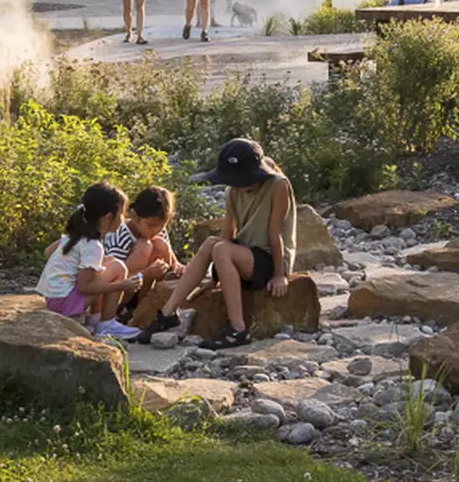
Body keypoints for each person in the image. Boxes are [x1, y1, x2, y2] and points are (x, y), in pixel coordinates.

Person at [147, 138, 293, 350]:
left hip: (269, 258)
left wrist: (280, 274)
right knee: (212, 243)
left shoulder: (278, 185)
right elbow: (227, 232)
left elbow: (275, 233)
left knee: (221, 248)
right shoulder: (232, 191)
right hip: (244, 255)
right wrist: (217, 275)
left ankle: (238, 329)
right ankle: (168, 314)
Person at [38, 186, 143, 339]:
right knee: (118, 267)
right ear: (108, 217)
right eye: (122, 213)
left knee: (108, 262)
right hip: (64, 304)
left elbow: (48, 253)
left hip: (54, 298)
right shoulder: (92, 245)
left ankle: (94, 320)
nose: (123, 218)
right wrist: (123, 285)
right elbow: (85, 286)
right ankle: (106, 324)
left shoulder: (76, 235)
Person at [109, 185, 182, 327]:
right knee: (145, 246)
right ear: (135, 217)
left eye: (161, 225)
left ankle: (145, 309)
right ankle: (122, 311)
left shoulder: (158, 231)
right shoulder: (121, 236)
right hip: (120, 292)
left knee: (160, 244)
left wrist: (178, 267)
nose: (156, 230)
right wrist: (145, 274)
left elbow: (173, 260)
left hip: (143, 289)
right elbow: (111, 279)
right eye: (151, 225)